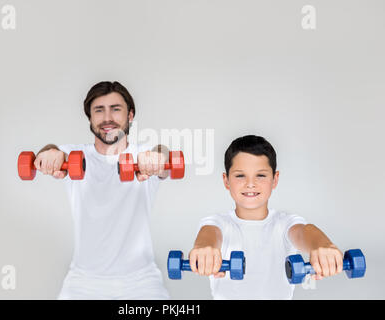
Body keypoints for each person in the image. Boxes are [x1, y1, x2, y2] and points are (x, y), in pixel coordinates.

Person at [34, 81, 170, 299]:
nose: (108, 118)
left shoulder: (144, 156)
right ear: (90, 118)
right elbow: (50, 150)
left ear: (130, 115)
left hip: (141, 280)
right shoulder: (74, 155)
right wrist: (48, 154)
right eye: (99, 110)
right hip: (83, 281)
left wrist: (158, 158)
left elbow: (163, 155)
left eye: (116, 109)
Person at [188, 135, 344, 299]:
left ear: (275, 179)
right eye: (240, 176)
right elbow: (209, 236)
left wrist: (322, 245)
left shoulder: (285, 224)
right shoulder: (217, 223)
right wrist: (204, 249)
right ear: (226, 181)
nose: (250, 184)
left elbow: (304, 232)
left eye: (260, 175)